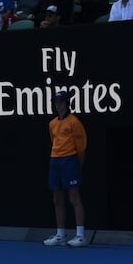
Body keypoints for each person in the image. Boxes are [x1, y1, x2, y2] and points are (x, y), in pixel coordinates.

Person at [43, 90, 89, 248]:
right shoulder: (52, 123)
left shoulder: (74, 122)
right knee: (57, 198)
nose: (58, 105)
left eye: (61, 102)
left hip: (70, 160)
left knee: (74, 197)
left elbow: (81, 147)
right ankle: (61, 235)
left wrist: (77, 163)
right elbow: (53, 141)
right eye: (56, 102)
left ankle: (81, 236)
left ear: (66, 103)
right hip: (55, 160)